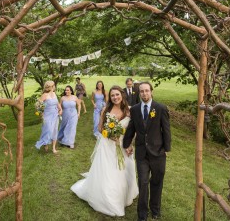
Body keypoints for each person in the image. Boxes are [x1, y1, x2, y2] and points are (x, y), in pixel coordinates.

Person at [71, 85, 138, 217]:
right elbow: (100, 128)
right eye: (112, 95)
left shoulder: (129, 110)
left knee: (125, 170)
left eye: (117, 94)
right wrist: (110, 135)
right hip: (108, 146)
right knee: (109, 172)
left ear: (122, 95)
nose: (115, 97)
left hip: (124, 145)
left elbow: (133, 130)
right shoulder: (106, 110)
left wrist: (130, 144)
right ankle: (110, 201)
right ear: (110, 97)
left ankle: (124, 194)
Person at [123, 81, 171, 221]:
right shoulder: (135, 109)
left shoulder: (161, 108)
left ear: (151, 92)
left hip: (158, 153)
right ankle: (142, 214)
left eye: (146, 91)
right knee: (143, 183)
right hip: (142, 153)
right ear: (139, 93)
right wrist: (127, 143)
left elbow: (166, 130)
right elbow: (131, 128)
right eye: (142, 91)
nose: (144, 93)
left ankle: (155, 209)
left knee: (156, 182)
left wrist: (166, 149)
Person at [35, 81, 62, 154]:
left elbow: (57, 103)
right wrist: (41, 113)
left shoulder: (54, 93)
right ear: (51, 87)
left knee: (55, 130)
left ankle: (53, 148)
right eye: (53, 85)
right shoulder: (45, 95)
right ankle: (45, 143)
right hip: (47, 115)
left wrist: (60, 109)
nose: (54, 87)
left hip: (55, 115)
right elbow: (38, 105)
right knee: (48, 130)